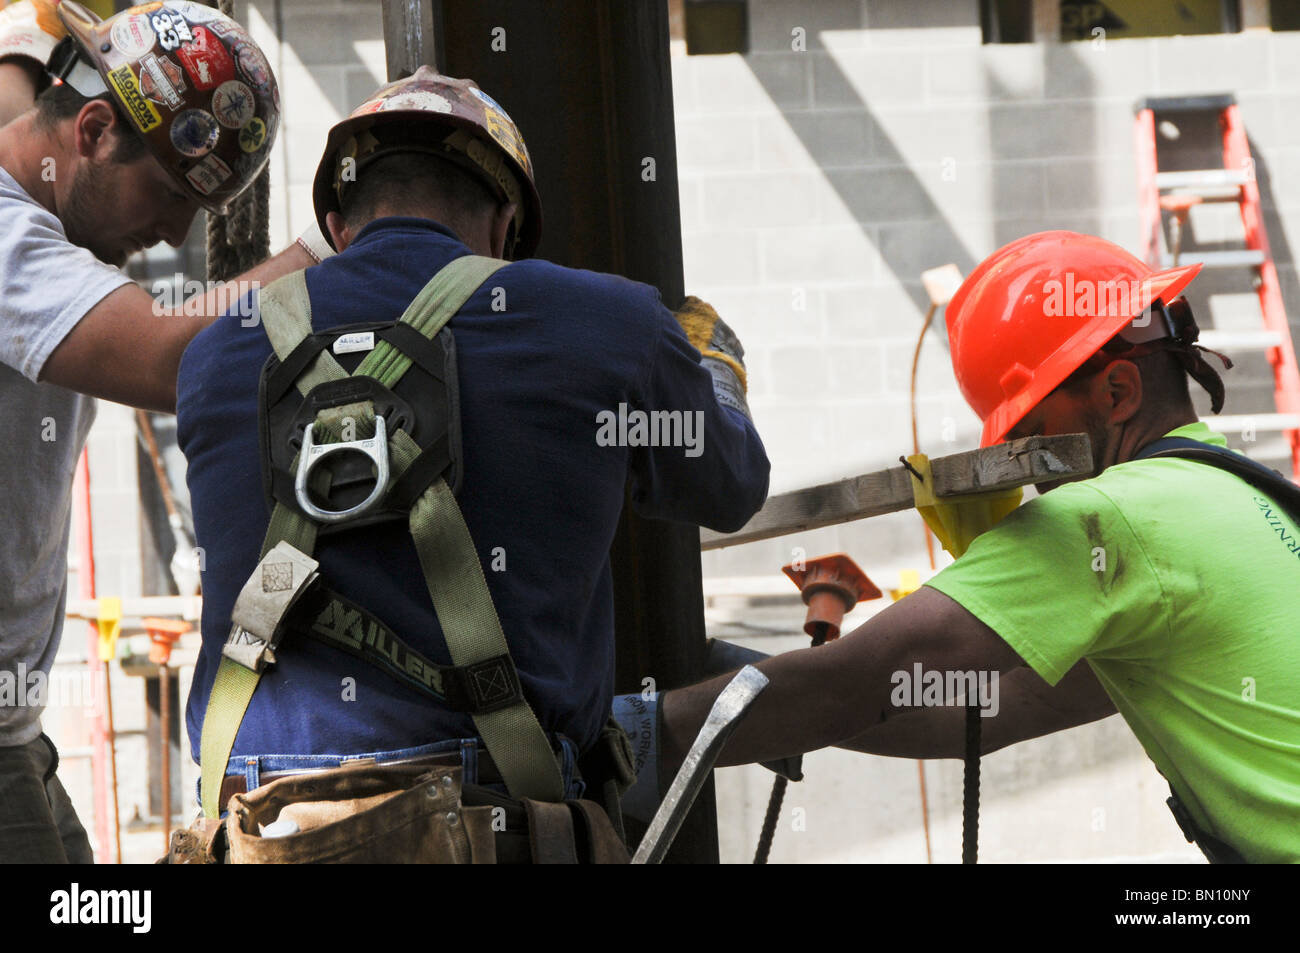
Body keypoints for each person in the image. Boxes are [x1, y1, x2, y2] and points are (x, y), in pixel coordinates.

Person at [175, 66, 770, 853]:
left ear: (338, 225)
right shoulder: (612, 323)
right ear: (502, 224)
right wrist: (716, 369)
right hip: (489, 813)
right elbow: (732, 486)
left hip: (255, 823)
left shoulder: (213, 355)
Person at [660, 230, 1300, 863]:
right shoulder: (1242, 493)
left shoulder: (1110, 517)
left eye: (1032, 430)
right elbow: (992, 706)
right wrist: (751, 685)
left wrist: (632, 731)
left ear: (1118, 392)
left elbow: (854, 684)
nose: (1032, 469)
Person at [0, 0, 329, 863]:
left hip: (15, 738)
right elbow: (168, 360)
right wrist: (329, 247)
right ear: (96, 128)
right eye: (171, 194)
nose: (173, 235)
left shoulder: (44, 234)